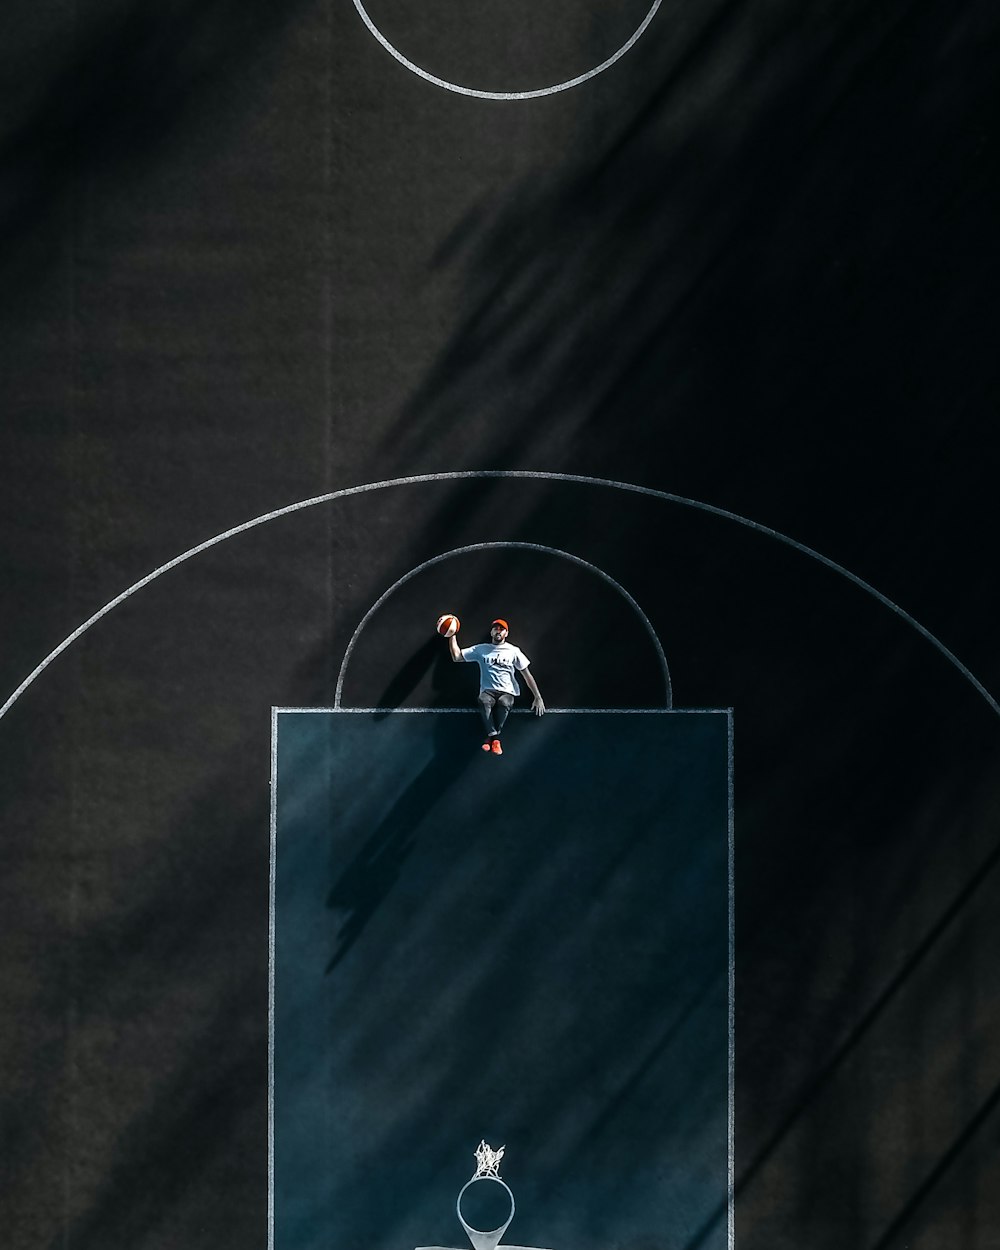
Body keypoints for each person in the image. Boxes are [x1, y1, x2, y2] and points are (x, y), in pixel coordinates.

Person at [446, 618, 545, 755]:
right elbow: (457, 657)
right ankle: (495, 737)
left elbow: (527, 675)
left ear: (506, 633)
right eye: (495, 628)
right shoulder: (481, 649)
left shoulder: (513, 651)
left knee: (504, 703)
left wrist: (537, 697)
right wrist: (452, 635)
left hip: (507, 692)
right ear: (491, 632)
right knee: (483, 700)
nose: (498, 631)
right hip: (488, 691)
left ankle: (491, 738)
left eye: (501, 629)